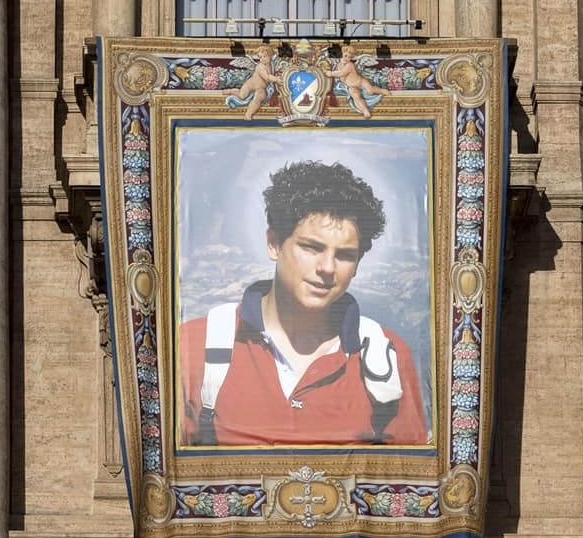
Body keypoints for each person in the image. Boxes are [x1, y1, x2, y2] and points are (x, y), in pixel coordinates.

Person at [178, 159, 426, 448]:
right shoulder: (195, 347)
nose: (327, 268)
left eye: (345, 255)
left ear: (358, 263)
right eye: (312, 248)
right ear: (274, 244)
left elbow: (406, 484)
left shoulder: (388, 359)